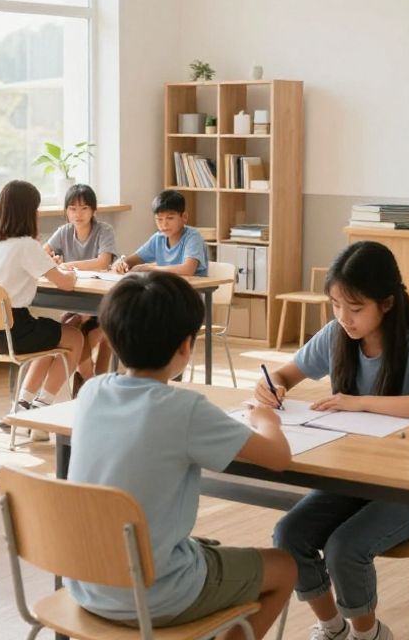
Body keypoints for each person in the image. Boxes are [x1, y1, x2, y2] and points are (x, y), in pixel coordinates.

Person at [66, 272, 296, 638]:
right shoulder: (184, 409)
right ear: (186, 347)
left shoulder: (91, 392)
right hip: (157, 595)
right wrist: (265, 419)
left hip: (86, 585)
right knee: (284, 567)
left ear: (108, 337)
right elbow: (278, 458)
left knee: (204, 548)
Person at [257, 241, 409, 640]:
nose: (344, 317)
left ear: (388, 303)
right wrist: (272, 385)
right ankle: (334, 630)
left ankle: (370, 635)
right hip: (352, 480)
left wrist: (359, 403)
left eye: (356, 308)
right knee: (289, 535)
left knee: (345, 548)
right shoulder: (335, 336)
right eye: (335, 305)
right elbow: (283, 374)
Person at [0, 180, 84, 441]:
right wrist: (70, 271)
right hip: (16, 330)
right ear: (28, 211)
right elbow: (66, 284)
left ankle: (22, 405)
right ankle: (42, 409)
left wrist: (48, 266)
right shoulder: (25, 244)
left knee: (49, 339)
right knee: (75, 337)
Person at [44, 183, 118, 378]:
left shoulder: (104, 230)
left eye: (84, 208)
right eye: (73, 208)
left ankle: (87, 379)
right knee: (71, 325)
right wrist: (53, 261)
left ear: (94, 210)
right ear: (66, 211)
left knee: (78, 326)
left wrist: (69, 265)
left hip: (101, 299)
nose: (78, 214)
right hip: (75, 297)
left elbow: (103, 262)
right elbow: (43, 255)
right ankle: (88, 378)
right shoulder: (64, 231)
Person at [113, 190, 209, 277]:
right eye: (159, 219)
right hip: (166, 289)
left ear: (184, 217)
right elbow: (131, 261)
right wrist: (120, 263)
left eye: (170, 218)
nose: (164, 224)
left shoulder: (193, 237)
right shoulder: (158, 238)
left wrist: (149, 268)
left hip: (189, 292)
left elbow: (187, 270)